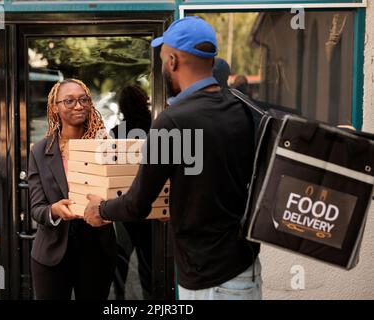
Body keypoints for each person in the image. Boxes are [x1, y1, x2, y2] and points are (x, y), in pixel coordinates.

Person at [84, 16, 262, 300]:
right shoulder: (240, 110)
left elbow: (136, 205)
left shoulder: (173, 121)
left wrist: (100, 209)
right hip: (245, 269)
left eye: (163, 55)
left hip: (210, 280)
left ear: (173, 61)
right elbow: (214, 178)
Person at [28, 78, 117, 300]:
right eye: (69, 101)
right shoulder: (39, 151)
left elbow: (120, 192)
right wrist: (55, 210)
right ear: (55, 107)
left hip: (97, 249)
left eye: (83, 99)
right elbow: (37, 209)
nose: (78, 106)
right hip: (52, 253)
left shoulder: (105, 146)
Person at [110, 85, 153, 300]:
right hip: (151, 204)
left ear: (122, 106)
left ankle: (118, 299)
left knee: (121, 259)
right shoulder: (156, 128)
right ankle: (150, 298)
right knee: (149, 261)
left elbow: (111, 169)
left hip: (123, 203)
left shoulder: (116, 133)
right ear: (144, 101)